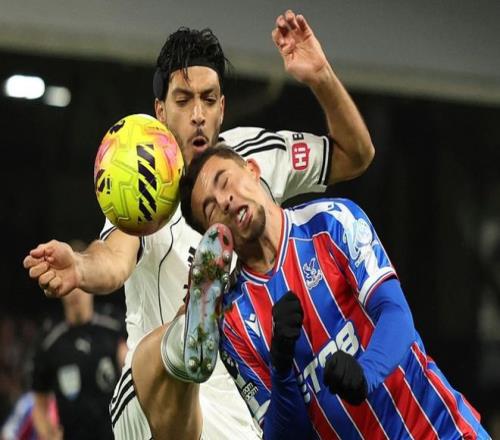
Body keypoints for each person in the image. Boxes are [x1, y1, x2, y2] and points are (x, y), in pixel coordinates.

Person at [23, 10, 375, 439]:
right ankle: (185, 333)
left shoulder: (250, 161)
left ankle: (192, 334)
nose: (197, 114)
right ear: (160, 110)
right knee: (165, 364)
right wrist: (79, 267)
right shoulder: (145, 184)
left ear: (222, 108)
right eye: (183, 100)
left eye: (208, 100)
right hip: (152, 406)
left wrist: (321, 76)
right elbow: (114, 258)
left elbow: (356, 154)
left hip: (237, 416)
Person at [180, 145, 491, 439]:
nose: (224, 201)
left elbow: (396, 314)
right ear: (212, 234)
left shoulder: (332, 222)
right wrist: (281, 367)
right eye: (211, 208)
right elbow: (287, 435)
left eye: (225, 181)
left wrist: (365, 375)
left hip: (440, 430)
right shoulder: (233, 321)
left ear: (252, 169)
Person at [30, 289, 125, 440]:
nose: (75, 293)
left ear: (91, 287)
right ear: (60, 291)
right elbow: (39, 406)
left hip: (116, 435)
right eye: (70, 287)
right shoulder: (49, 342)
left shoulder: (114, 325)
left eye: (80, 285)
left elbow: (133, 374)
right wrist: (48, 433)